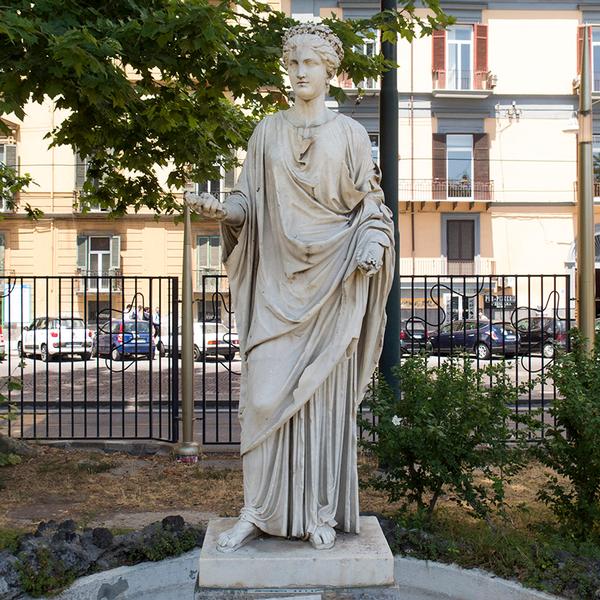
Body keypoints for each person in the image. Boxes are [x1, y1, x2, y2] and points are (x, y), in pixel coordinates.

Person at [186, 23, 394, 553]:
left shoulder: (349, 135)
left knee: (320, 404)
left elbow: (371, 206)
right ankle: (257, 510)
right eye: (293, 62)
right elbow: (247, 204)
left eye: (310, 63)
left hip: (332, 284)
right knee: (260, 399)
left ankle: (317, 513)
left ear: (330, 71)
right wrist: (221, 210)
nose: (299, 72)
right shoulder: (266, 132)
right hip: (277, 289)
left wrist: (370, 244)